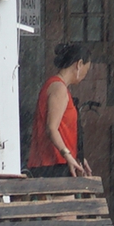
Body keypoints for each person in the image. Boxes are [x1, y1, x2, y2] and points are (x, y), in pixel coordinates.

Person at [26, 44, 93, 178]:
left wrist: (77, 156)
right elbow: (51, 128)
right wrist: (67, 155)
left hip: (55, 162)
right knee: (66, 198)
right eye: (87, 68)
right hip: (53, 163)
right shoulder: (59, 88)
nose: (86, 74)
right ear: (79, 64)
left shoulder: (55, 86)